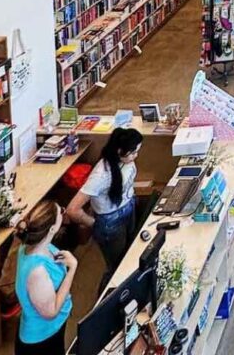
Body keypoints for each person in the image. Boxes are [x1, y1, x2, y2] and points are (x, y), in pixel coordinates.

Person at [66, 127, 142, 292]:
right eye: (133, 152)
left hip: (128, 210)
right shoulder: (101, 175)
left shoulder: (125, 160)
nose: (136, 155)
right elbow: (72, 210)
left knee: (130, 252)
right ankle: (105, 300)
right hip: (110, 222)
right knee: (116, 266)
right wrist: (94, 223)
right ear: (120, 151)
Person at [14, 201, 76, 355]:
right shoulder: (37, 272)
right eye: (60, 212)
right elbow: (51, 311)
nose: (63, 213)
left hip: (53, 329)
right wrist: (72, 269)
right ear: (52, 228)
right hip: (42, 338)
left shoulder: (35, 246)